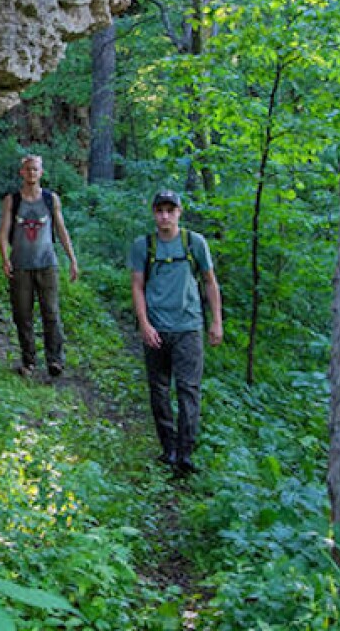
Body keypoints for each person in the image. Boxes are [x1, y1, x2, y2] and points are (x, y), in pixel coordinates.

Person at [129, 190, 224, 477]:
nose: (165, 216)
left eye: (171, 210)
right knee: (158, 390)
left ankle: (185, 454)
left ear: (180, 212)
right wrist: (144, 323)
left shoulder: (194, 243)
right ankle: (168, 448)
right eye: (160, 210)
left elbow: (210, 282)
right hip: (156, 328)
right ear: (153, 212)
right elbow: (137, 286)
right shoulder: (143, 246)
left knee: (188, 391)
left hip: (188, 328)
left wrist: (216, 321)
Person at [0, 154, 80, 379]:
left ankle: (55, 360)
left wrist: (72, 259)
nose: (31, 173)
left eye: (35, 169)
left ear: (41, 172)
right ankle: (29, 360)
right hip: (20, 265)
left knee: (51, 312)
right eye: (28, 170)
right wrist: (5, 258)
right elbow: (4, 232)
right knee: (22, 314)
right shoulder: (12, 201)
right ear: (21, 173)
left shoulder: (50, 199)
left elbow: (61, 230)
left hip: (47, 264)